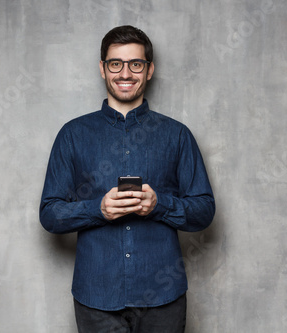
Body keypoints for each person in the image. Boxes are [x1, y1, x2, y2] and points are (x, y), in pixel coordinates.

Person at [40, 25, 215, 333]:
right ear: (102, 68)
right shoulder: (73, 135)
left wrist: (160, 205)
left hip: (164, 297)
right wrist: (98, 210)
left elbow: (204, 210)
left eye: (135, 64)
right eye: (115, 64)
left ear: (149, 70)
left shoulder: (176, 135)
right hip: (96, 297)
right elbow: (50, 214)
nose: (125, 73)